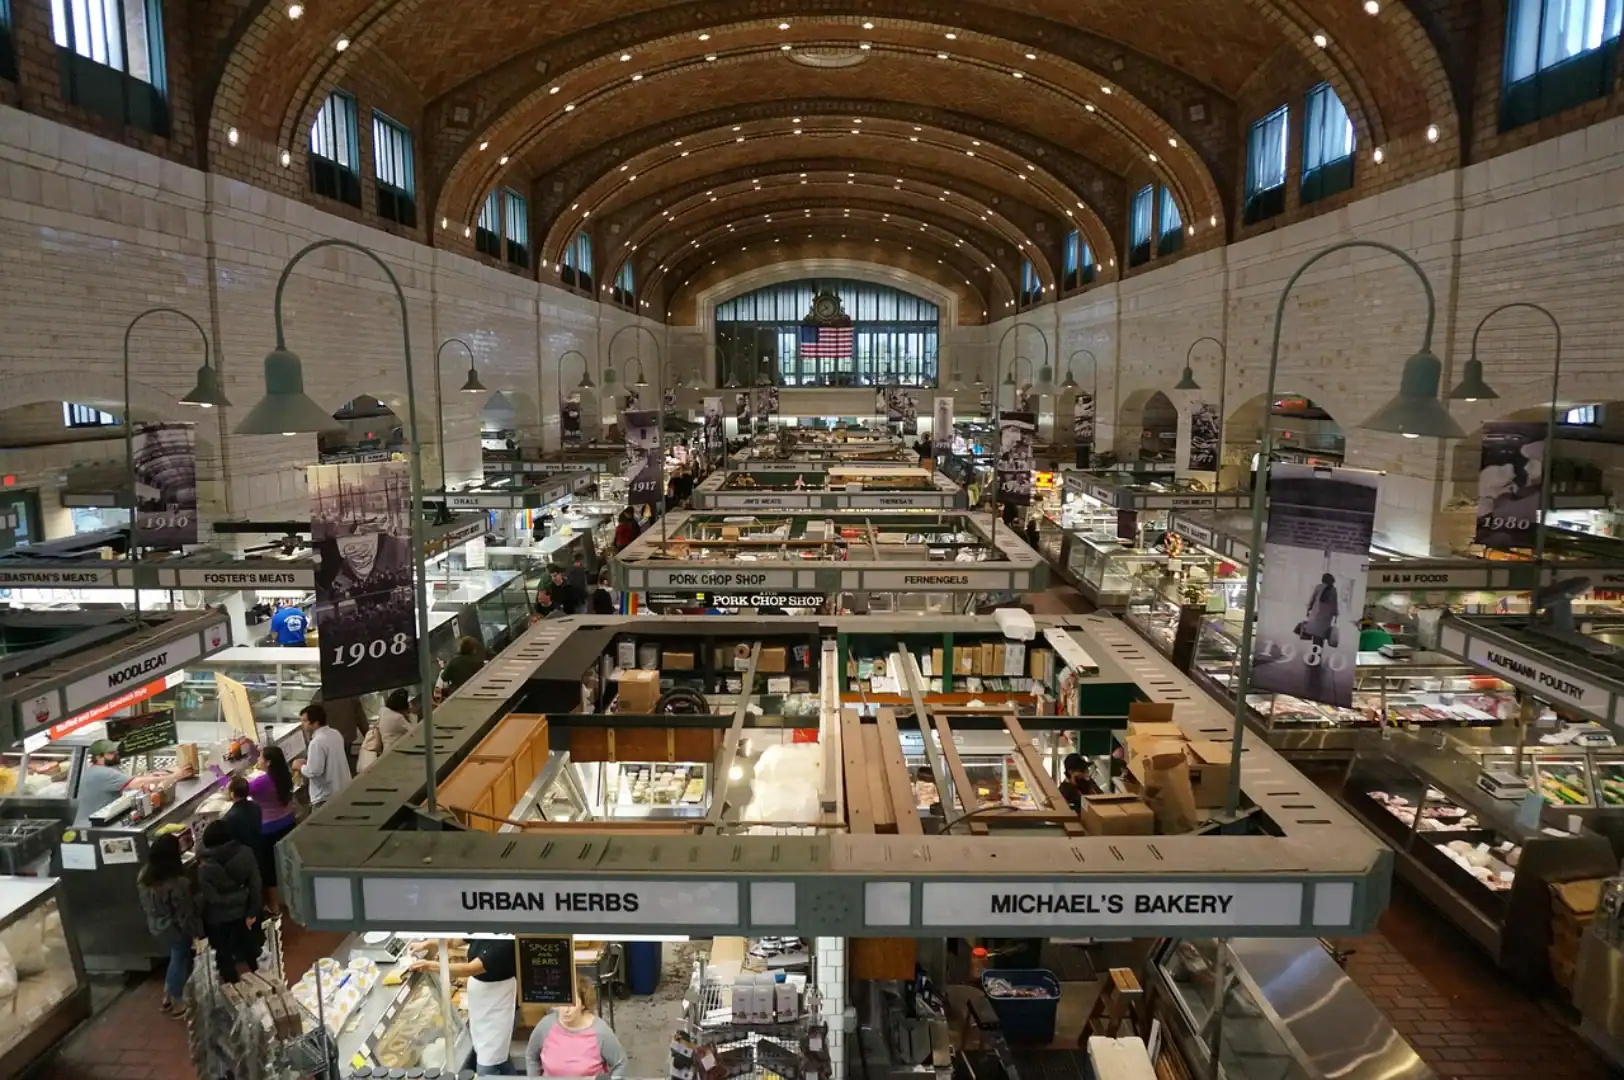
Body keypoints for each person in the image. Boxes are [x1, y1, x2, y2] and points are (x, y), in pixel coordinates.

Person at [409, 937, 519, 1074]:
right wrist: (426, 944)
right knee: (497, 1057)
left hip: (498, 1004)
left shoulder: (506, 943)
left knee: (488, 1064)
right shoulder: (485, 929)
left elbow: (470, 969)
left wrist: (429, 965)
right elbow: (453, 942)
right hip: (481, 1004)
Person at [137, 833, 202, 1017]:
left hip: (156, 925)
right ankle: (177, 1000)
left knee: (174, 958)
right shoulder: (178, 883)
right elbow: (184, 913)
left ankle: (167, 996)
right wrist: (196, 932)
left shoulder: (144, 875)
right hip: (175, 928)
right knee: (179, 960)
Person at [196, 819, 261, 984]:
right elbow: (255, 884)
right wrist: (252, 909)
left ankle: (231, 986)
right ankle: (259, 978)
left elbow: (211, 897)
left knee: (222, 951)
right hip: (243, 912)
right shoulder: (246, 853)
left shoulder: (204, 867)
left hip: (217, 917)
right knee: (249, 948)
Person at [525, 980, 628, 1078]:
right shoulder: (545, 1026)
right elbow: (531, 1056)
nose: (566, 1009)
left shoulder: (601, 1032)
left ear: (583, 1004)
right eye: (562, 1001)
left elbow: (620, 1063)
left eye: (572, 1003)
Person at [248, 746, 298, 916]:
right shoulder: (285, 776)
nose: (258, 761)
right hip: (289, 823)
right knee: (288, 863)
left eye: (261, 758)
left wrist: (218, 774)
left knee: (269, 869)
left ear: (268, 763)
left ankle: (274, 906)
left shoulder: (261, 783)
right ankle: (294, 901)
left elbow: (234, 791)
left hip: (268, 830)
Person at [292, 703, 352, 810]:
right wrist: (307, 762)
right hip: (342, 787)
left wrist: (300, 766)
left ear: (315, 723)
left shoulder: (316, 742)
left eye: (305, 721)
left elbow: (314, 771)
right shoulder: (335, 733)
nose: (302, 724)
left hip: (325, 797)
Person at [222, 775, 262, 850]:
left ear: (232, 794)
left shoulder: (229, 817)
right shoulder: (255, 806)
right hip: (258, 847)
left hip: (243, 852)